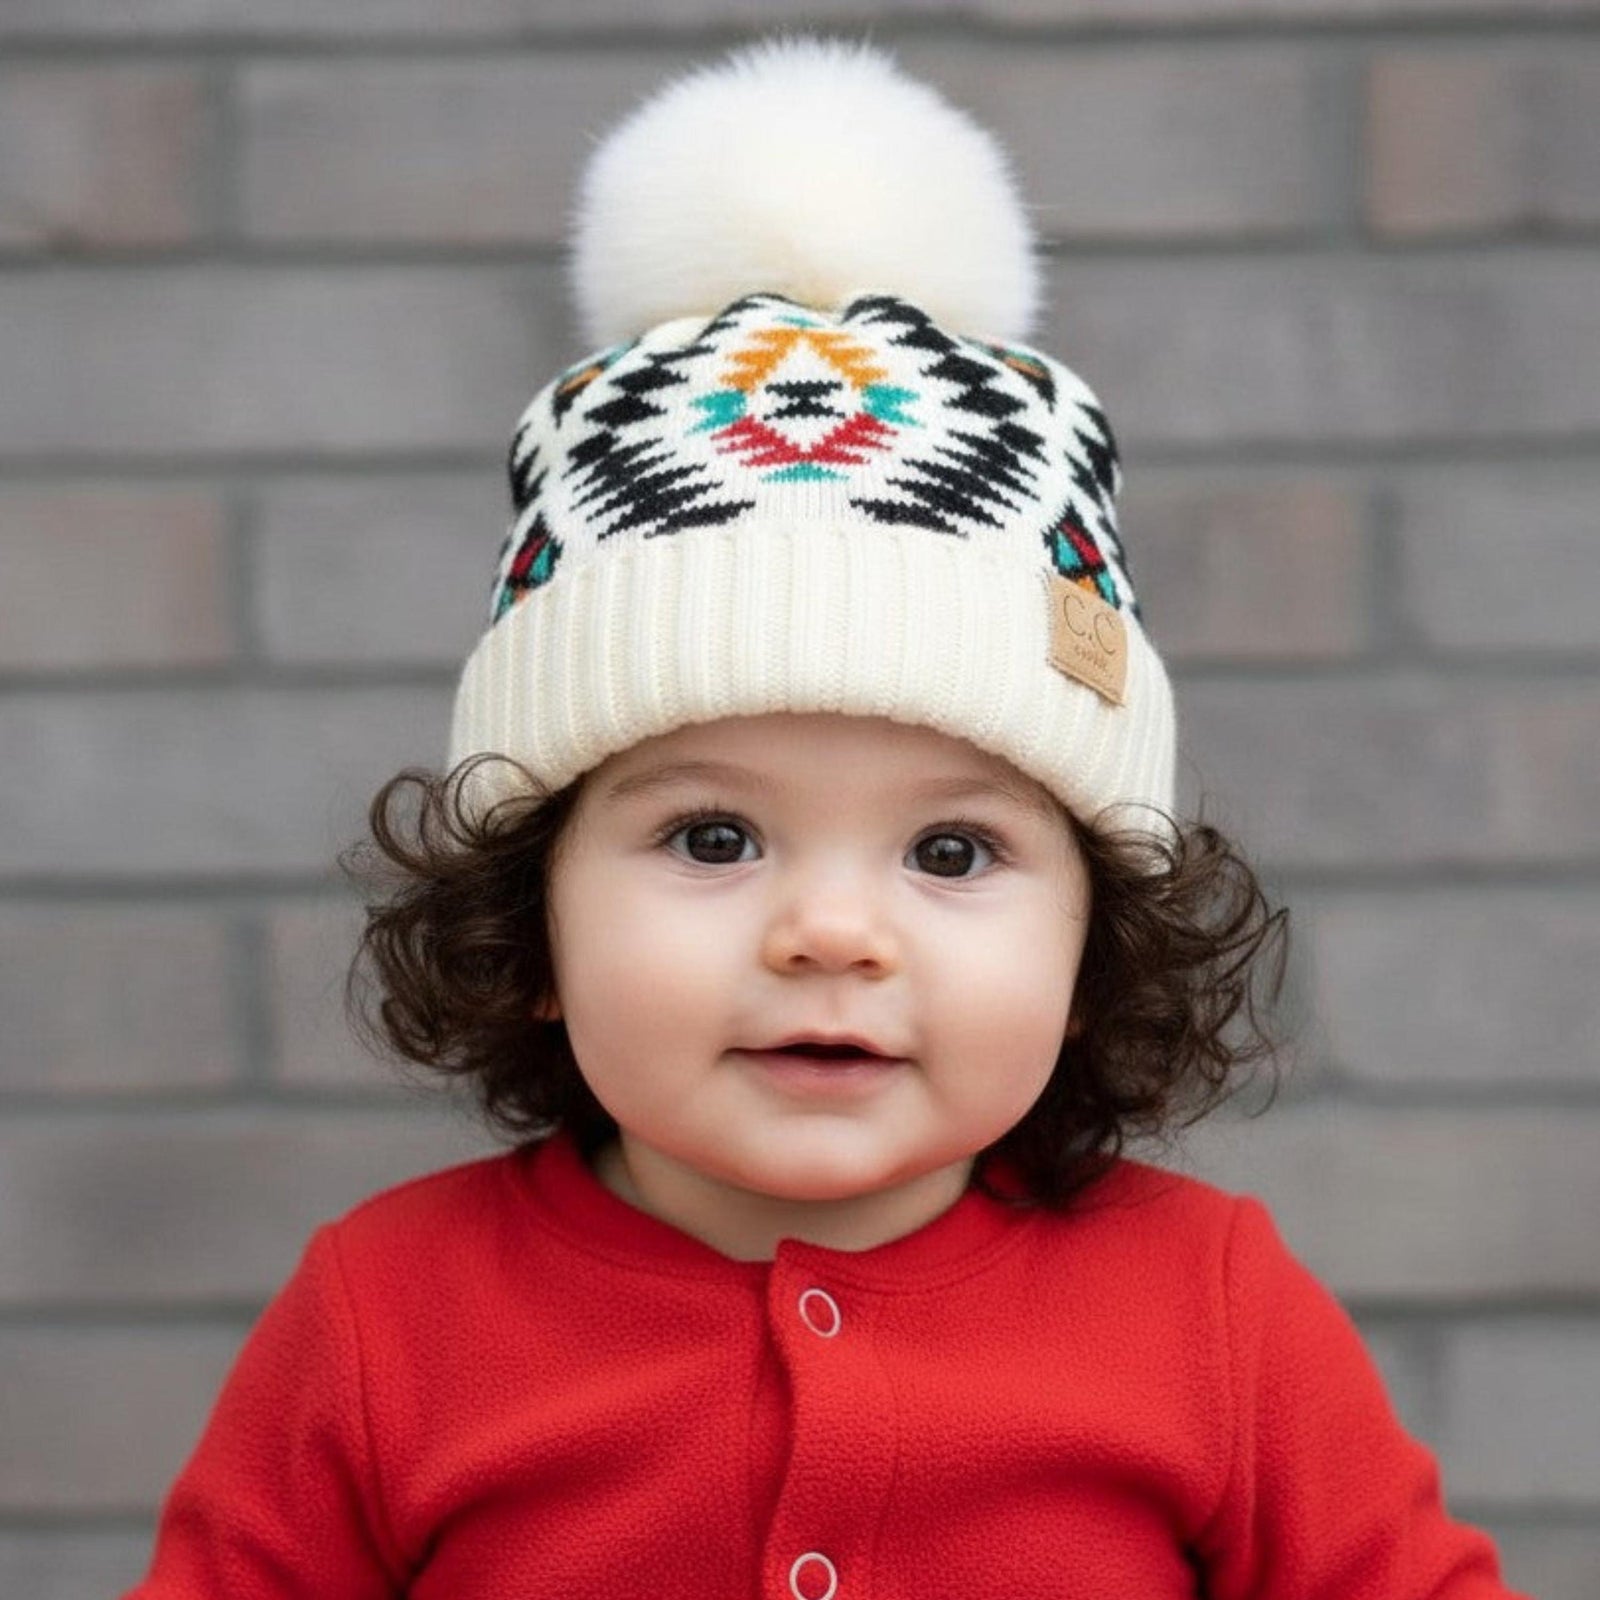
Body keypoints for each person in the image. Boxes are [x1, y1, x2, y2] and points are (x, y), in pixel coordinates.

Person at [125, 37, 1528, 1600]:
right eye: (713, 839)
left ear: (1095, 950)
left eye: (952, 852)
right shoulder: (386, 1316)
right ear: (527, 920)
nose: (832, 935)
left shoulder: (1214, 1307)